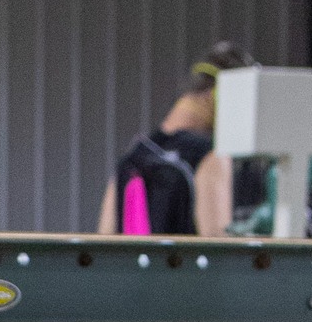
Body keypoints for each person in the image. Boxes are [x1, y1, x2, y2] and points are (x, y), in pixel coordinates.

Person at [98, 41, 256, 238]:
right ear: (219, 95)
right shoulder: (210, 156)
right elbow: (217, 242)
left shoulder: (133, 157)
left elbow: (105, 236)